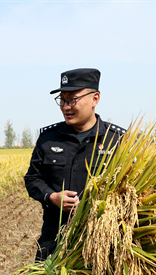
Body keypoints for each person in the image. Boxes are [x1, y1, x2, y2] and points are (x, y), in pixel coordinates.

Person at [24, 68, 126, 261]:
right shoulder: (48, 139)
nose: (65, 107)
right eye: (62, 100)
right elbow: (32, 179)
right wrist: (52, 196)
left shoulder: (118, 141)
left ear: (95, 99)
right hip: (54, 243)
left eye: (72, 100)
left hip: (101, 247)